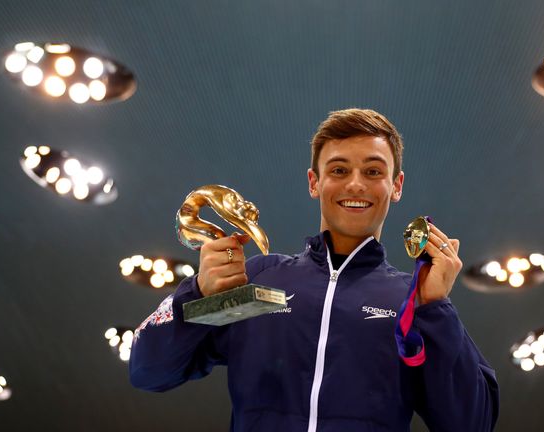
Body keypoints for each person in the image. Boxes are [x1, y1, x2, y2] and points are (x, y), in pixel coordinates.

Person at [129, 108, 499, 431]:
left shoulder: (411, 302)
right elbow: (148, 370)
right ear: (314, 182)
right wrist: (197, 293)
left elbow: (472, 423)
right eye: (339, 169)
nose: (355, 184)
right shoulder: (258, 282)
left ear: (396, 186)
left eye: (373, 171)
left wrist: (435, 308)